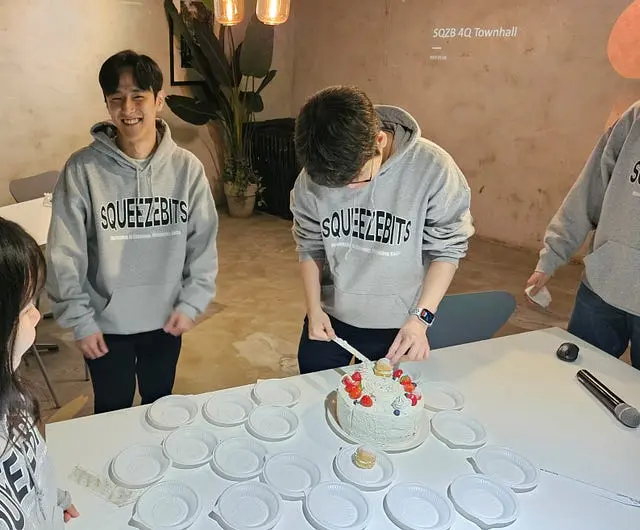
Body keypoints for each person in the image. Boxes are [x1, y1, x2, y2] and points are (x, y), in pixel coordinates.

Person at [46, 50, 219, 414]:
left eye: (138, 96)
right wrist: (80, 319)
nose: (128, 109)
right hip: (105, 326)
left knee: (160, 406)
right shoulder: (83, 170)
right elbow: (65, 253)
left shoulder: (187, 169)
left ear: (158, 100)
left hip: (166, 320)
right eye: (117, 99)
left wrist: (192, 301)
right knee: (112, 411)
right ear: (107, 105)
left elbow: (202, 243)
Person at [290, 85, 474, 374]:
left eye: (357, 178)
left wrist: (421, 319)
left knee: (386, 398)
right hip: (330, 315)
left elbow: (447, 250)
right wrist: (314, 308)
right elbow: (309, 244)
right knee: (312, 390)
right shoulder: (317, 172)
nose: (349, 190)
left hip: (400, 324)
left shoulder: (434, 168)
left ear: (379, 140)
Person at [526, 100, 640, 369]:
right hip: (602, 285)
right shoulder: (635, 119)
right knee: (575, 378)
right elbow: (588, 191)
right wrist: (552, 256)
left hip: (605, 282)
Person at [0, 217, 80, 528]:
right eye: (25, 308)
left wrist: (55, 500)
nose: (37, 315)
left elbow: (32, 467)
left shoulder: (12, 392)